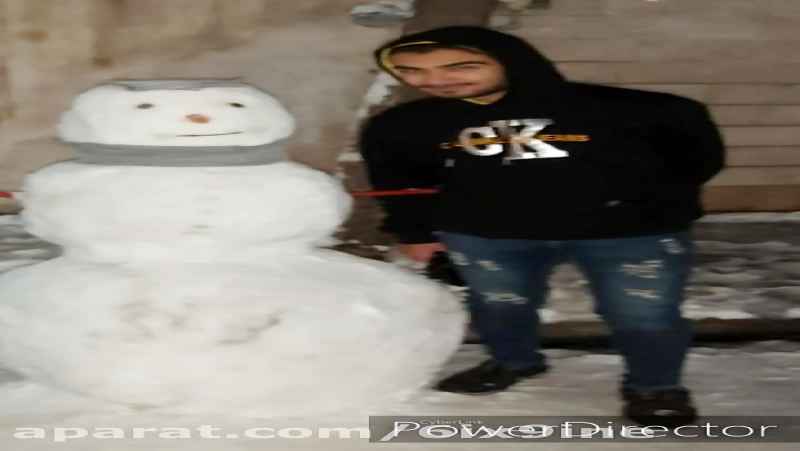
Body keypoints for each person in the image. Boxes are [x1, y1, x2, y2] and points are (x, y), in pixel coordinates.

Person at [358, 26, 725, 426]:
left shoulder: (642, 110)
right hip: (487, 237)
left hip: (629, 235)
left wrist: (644, 202)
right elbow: (401, 184)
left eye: (461, 66)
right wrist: (415, 233)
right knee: (499, 308)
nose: (434, 81)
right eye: (412, 71)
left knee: (645, 314)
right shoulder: (401, 125)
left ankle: (655, 387)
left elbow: (697, 161)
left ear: (512, 61)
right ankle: (513, 361)